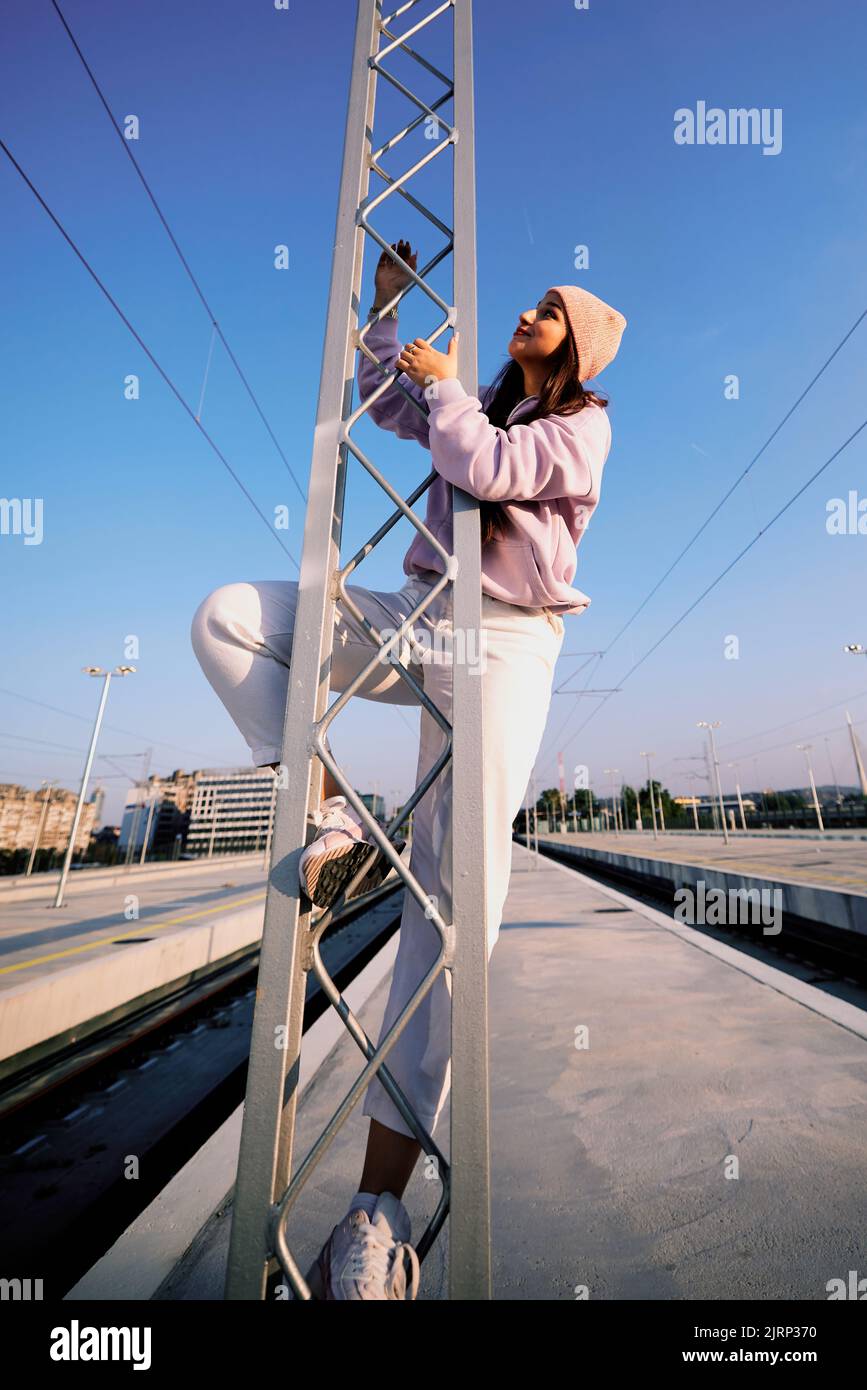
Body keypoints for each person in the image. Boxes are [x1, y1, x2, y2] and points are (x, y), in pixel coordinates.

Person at [190, 240, 626, 1299]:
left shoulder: (582, 427)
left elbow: (485, 469)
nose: (527, 317)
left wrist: (446, 394)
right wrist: (383, 313)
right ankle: (337, 815)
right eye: (530, 307)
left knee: (452, 905)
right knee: (233, 620)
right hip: (426, 619)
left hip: (510, 642)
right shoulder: (472, 402)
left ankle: (375, 1213)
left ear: (581, 346)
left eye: (548, 313)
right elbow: (385, 400)